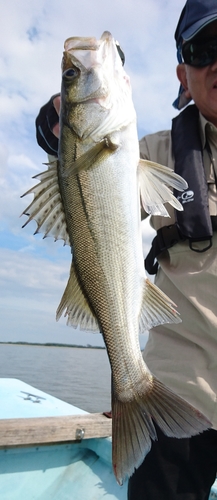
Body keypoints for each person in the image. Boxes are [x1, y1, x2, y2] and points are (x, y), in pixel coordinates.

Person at [35, 1, 217, 498]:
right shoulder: (155, 152)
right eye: (205, 49)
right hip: (182, 392)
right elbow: (72, 162)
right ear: (183, 73)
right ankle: (132, 387)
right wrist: (54, 128)